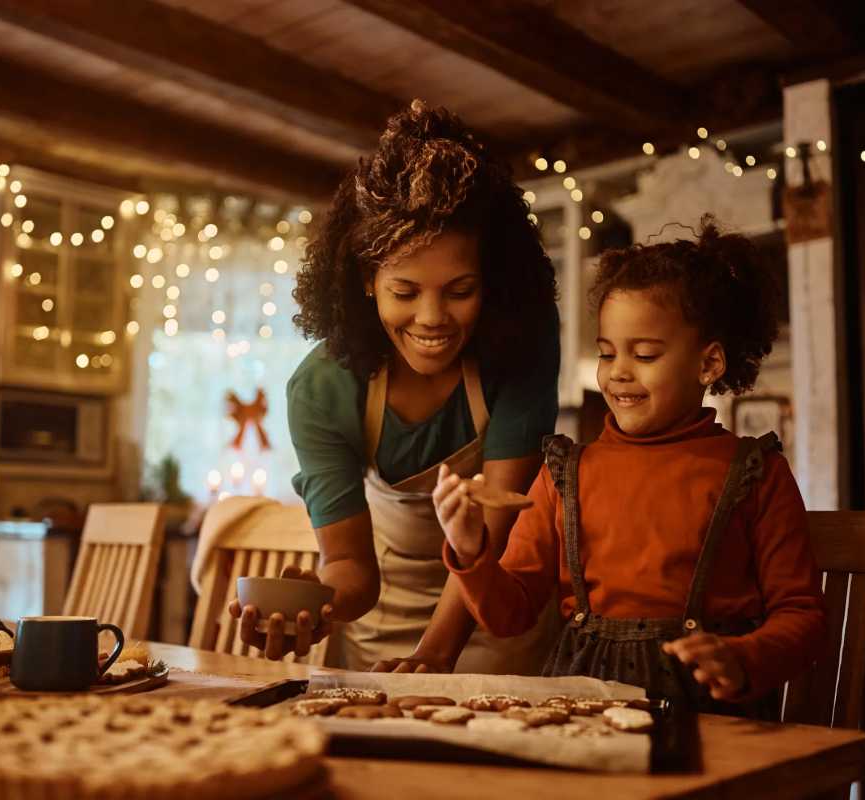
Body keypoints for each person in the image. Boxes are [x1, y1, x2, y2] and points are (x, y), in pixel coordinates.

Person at [435, 218, 825, 712]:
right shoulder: (565, 475)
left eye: (644, 354)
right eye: (607, 352)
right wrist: (470, 550)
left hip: (706, 717)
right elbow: (509, 615)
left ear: (708, 365)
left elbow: (804, 618)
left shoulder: (755, 472)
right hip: (582, 714)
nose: (618, 372)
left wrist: (741, 657)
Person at [227, 99, 562, 672]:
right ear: (364, 279)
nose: (432, 318)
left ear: (493, 281)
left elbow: (499, 528)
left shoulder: (520, 349)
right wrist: (320, 604)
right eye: (405, 292)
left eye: (459, 291)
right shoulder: (322, 388)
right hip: (386, 630)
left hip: (502, 608)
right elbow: (352, 569)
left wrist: (433, 655)